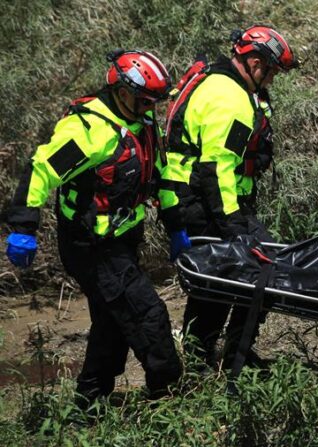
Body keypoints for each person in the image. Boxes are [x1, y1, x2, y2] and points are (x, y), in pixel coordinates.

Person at [4, 50, 187, 406]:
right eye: (144, 99)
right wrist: (23, 226)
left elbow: (161, 175)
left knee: (112, 320)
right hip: (92, 245)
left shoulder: (141, 121)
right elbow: (41, 169)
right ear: (121, 90)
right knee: (148, 314)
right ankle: (170, 397)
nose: (150, 107)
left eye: (154, 101)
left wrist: (176, 226)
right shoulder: (89, 130)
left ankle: (89, 401)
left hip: (122, 240)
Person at [159, 25, 298, 369]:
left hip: (201, 198)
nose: (272, 81)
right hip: (200, 201)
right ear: (253, 62)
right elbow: (216, 167)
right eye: (272, 73)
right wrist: (234, 225)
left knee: (235, 277)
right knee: (222, 283)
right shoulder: (230, 97)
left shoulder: (222, 83)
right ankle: (205, 360)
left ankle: (231, 353)